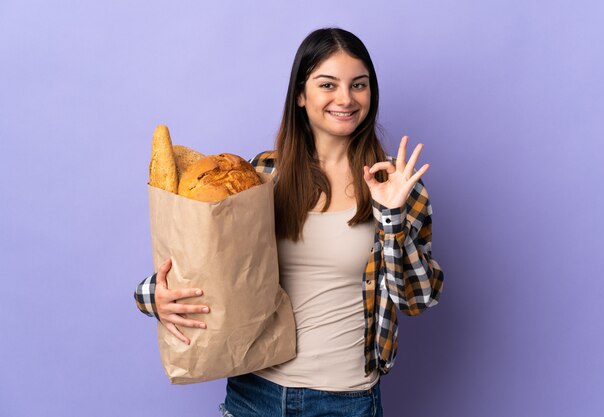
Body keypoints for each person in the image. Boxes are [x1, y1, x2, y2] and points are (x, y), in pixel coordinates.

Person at [134, 27, 444, 417]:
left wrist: (393, 217)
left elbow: (418, 300)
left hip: (345, 401)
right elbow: (206, 264)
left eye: (359, 85)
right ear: (301, 95)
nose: (345, 99)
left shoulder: (396, 183)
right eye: (327, 84)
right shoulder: (263, 173)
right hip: (254, 393)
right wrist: (154, 298)